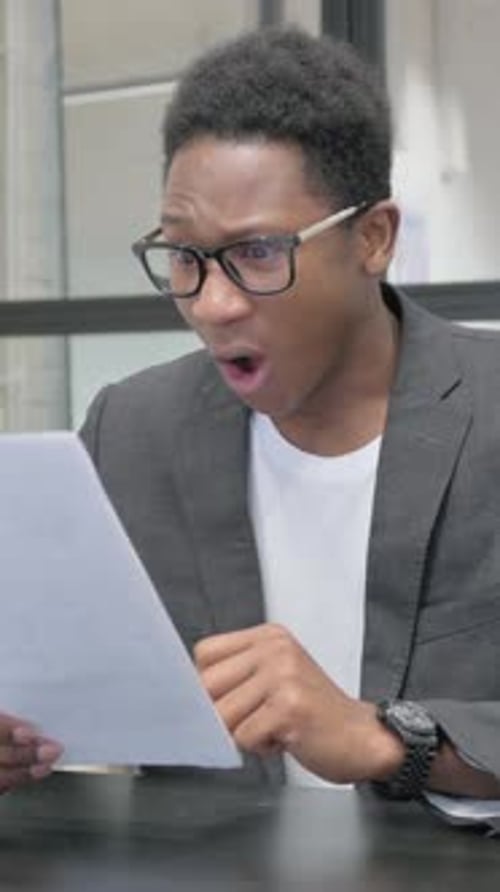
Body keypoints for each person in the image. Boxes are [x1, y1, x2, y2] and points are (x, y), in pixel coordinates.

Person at [1, 26, 500, 805]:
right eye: (185, 256)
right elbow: (68, 699)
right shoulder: (132, 431)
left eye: (259, 252)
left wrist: (386, 739)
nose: (213, 304)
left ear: (373, 238)